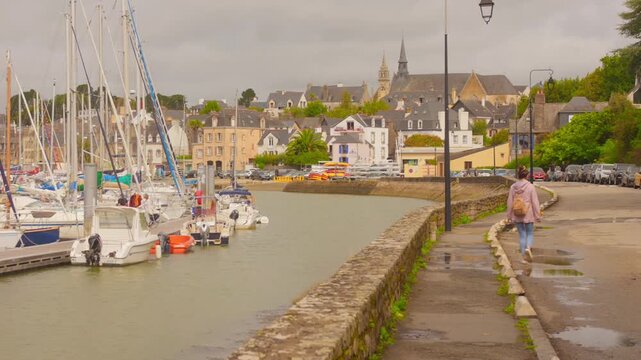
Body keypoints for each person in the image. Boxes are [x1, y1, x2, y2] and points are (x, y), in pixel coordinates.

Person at [506, 166, 542, 263]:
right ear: (527, 175)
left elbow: (510, 202)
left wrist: (509, 215)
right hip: (528, 213)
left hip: (517, 213)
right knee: (529, 233)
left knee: (522, 235)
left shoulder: (513, 187)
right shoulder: (530, 186)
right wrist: (537, 215)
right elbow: (535, 202)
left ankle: (523, 258)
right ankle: (528, 248)